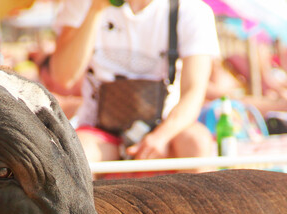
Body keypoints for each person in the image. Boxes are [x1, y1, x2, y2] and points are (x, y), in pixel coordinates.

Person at [49, 0, 220, 163]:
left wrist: (161, 136)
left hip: (167, 127)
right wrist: (95, 9)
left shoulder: (193, 11)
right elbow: (64, 77)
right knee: (77, 156)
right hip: (100, 129)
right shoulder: (82, 4)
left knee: (198, 143)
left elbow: (194, 92)